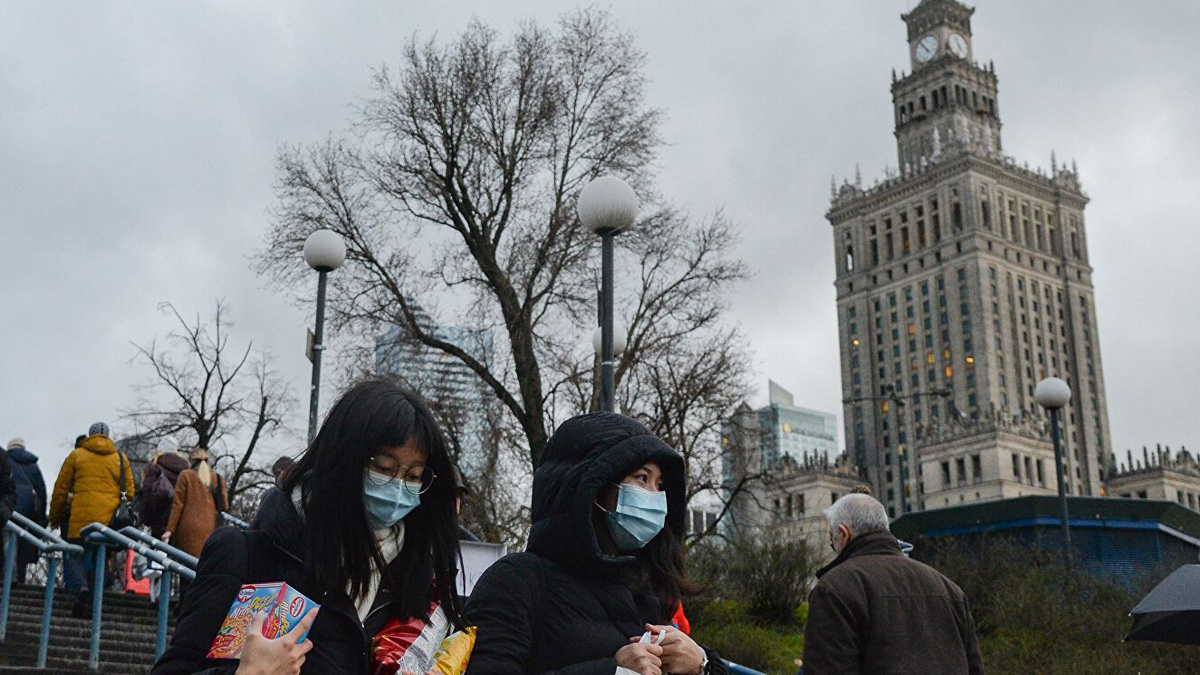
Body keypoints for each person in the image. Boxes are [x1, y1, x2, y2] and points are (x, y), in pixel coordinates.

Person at [151, 379, 464, 675]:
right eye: (384, 468)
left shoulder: (416, 587)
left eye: (413, 476)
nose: (396, 487)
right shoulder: (246, 558)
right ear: (342, 458)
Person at [465, 412, 726, 675]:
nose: (655, 497)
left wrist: (702, 665)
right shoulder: (518, 580)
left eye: (660, 485)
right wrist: (611, 671)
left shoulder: (647, 587)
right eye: (642, 478)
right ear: (593, 487)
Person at [801, 494, 984, 675]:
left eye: (832, 542)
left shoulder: (834, 589)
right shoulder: (950, 590)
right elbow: (975, 669)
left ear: (843, 534)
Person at [48, 422, 136, 607]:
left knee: (75, 554)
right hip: (106, 522)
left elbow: (60, 489)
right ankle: (94, 600)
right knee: (100, 557)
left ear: (90, 435)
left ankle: (81, 588)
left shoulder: (76, 455)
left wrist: (54, 517)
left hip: (80, 518)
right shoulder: (120, 458)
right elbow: (129, 492)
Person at [6, 438, 49, 583]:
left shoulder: (4, 461)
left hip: (7, 507)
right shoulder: (34, 466)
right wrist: (42, 518)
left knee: (6, 539)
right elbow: (42, 493)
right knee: (22, 540)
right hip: (27, 511)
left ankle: (8, 578)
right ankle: (20, 578)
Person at [139, 438, 190, 539]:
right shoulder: (186, 470)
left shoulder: (154, 467)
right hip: (177, 521)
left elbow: (147, 493)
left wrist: (143, 520)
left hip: (156, 518)